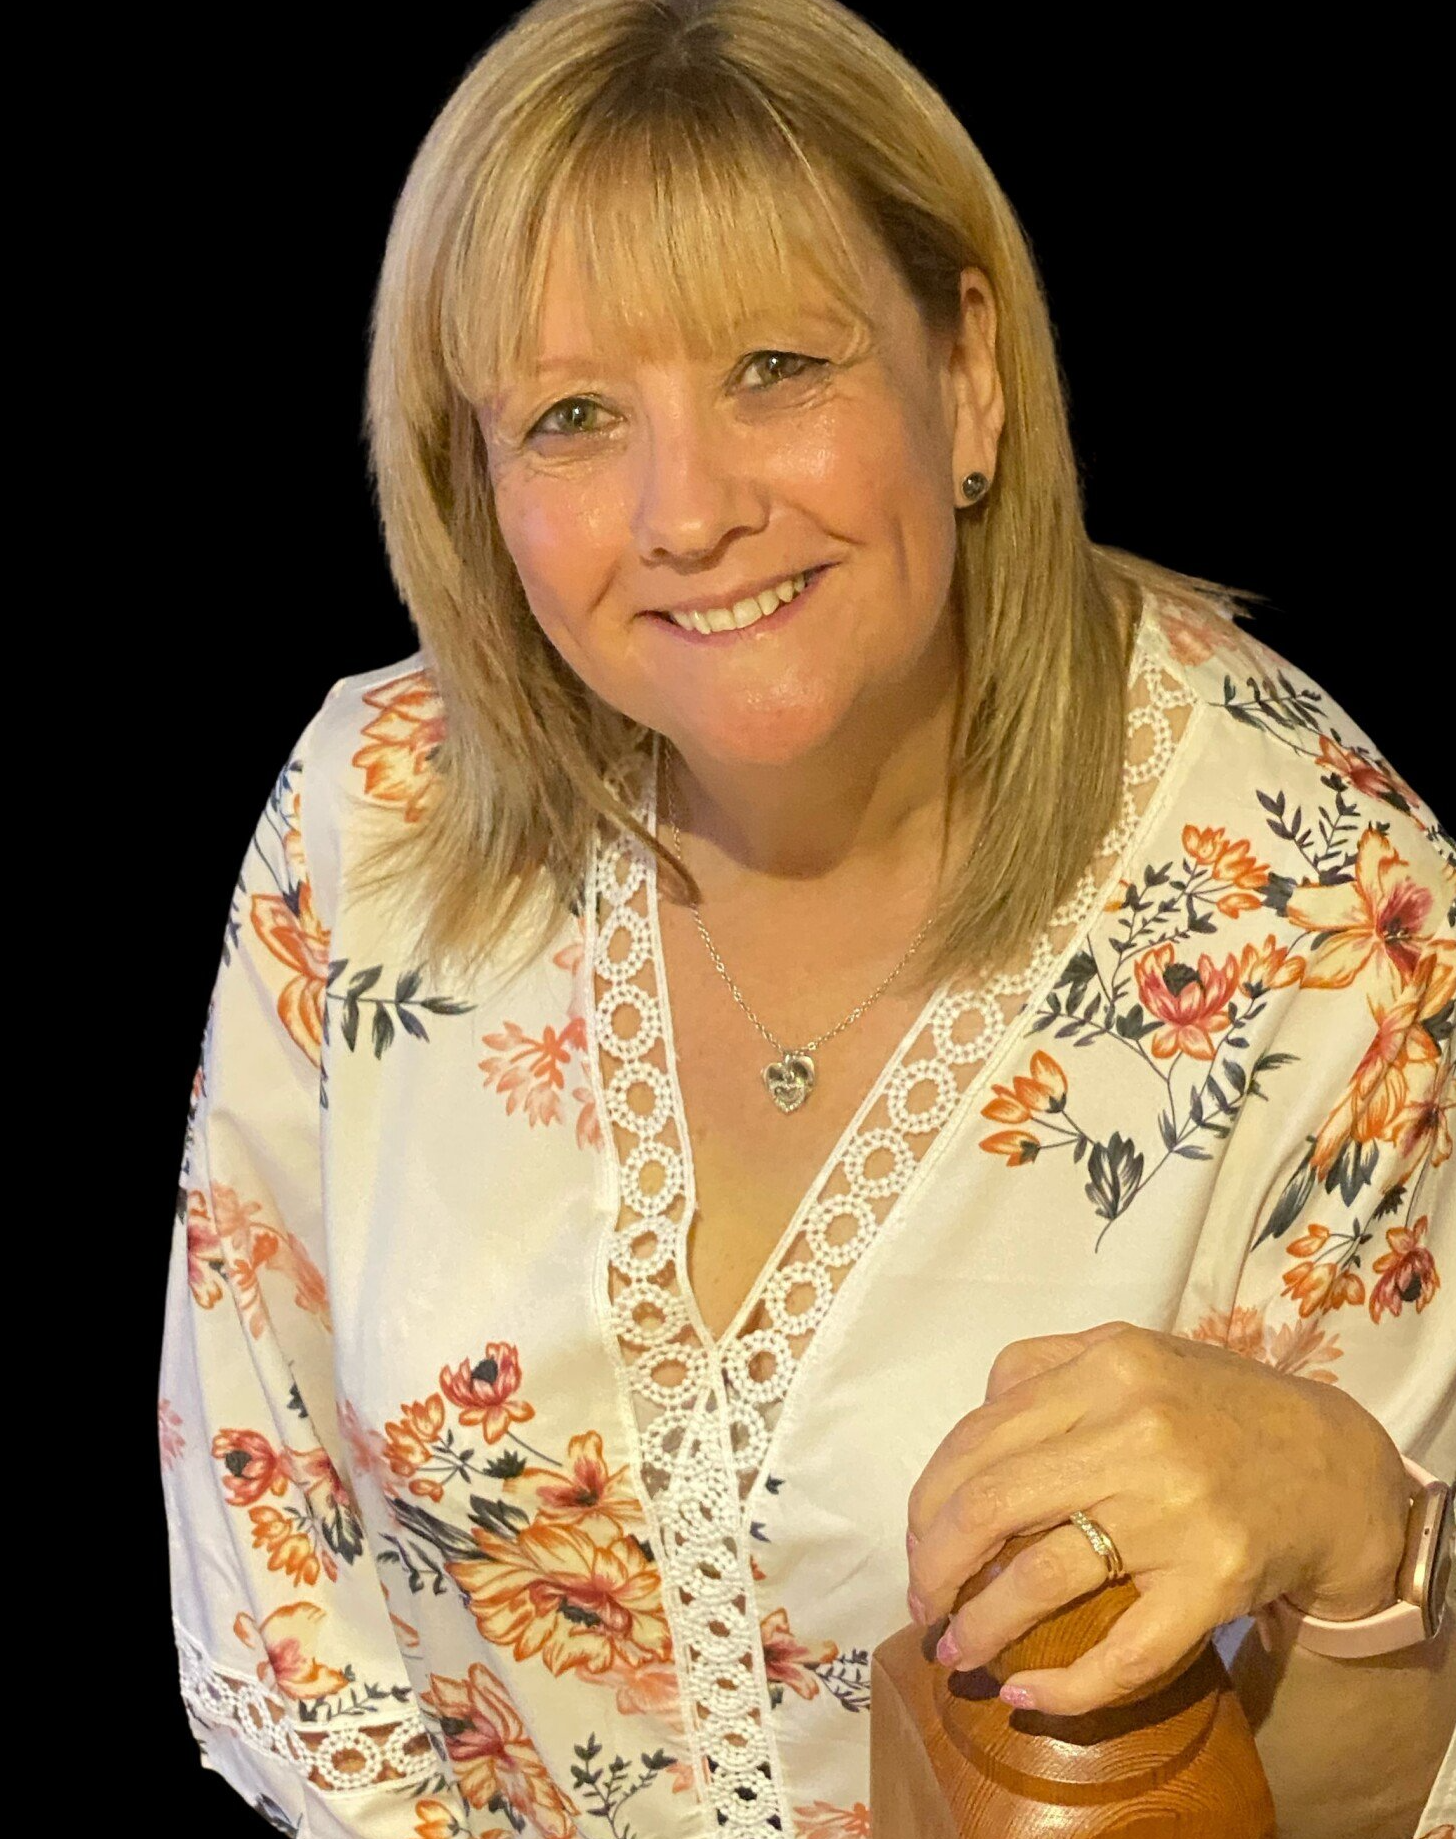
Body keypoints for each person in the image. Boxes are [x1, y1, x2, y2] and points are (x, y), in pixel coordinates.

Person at [157, 2, 1455, 1835]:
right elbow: (292, 1575)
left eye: (776, 366)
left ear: (969, 373)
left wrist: (1357, 1529)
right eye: (574, 416)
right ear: (478, 476)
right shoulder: (368, 815)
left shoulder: (1331, 908)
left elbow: (1361, 1792)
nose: (688, 513)